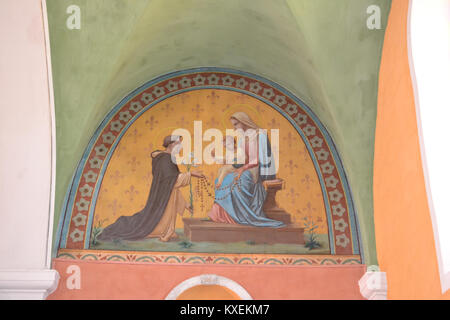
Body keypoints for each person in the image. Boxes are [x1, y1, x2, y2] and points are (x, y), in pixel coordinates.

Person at [97, 135, 204, 242]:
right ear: (171, 145)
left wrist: (185, 204)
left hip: (166, 195)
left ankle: (168, 230)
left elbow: (171, 184)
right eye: (178, 144)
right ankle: (164, 231)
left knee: (165, 216)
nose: (181, 147)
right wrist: (191, 174)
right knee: (146, 224)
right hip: (163, 198)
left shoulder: (168, 158)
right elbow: (173, 180)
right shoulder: (165, 159)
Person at [207, 112, 284, 227]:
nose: (234, 128)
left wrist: (242, 169)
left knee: (237, 180)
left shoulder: (259, 135)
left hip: (254, 169)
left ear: (243, 122)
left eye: (236, 124)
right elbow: (240, 158)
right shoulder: (242, 139)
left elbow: (256, 160)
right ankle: (222, 215)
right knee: (223, 178)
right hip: (243, 167)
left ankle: (239, 215)